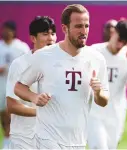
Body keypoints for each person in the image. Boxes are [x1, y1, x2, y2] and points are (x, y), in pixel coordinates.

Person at [14, 4, 109, 149]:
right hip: (47, 138)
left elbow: (103, 101)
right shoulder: (44, 55)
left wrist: (98, 92)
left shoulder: (97, 59)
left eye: (86, 26)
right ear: (65, 28)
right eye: (78, 26)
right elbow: (19, 87)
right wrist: (34, 97)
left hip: (78, 141)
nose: (84, 31)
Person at [88, 19, 127, 149]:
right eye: (119, 40)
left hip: (116, 114)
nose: (120, 45)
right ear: (113, 32)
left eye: (124, 42)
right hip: (94, 112)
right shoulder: (95, 51)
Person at [6, 16, 57, 149]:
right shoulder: (20, 64)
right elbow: (12, 105)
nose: (50, 38)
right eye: (45, 34)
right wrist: (41, 113)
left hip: (52, 138)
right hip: (24, 139)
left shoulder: (61, 65)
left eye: (53, 34)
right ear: (33, 38)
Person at [0, 20, 30, 147]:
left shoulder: (21, 47)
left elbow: (29, 67)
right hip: (1, 86)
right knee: (4, 118)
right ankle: (8, 141)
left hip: (15, 88)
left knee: (11, 117)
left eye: (9, 29)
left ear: (14, 31)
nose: (6, 32)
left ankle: (8, 144)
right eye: (4, 29)